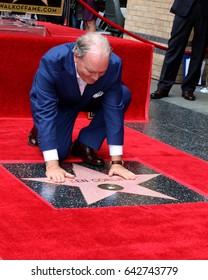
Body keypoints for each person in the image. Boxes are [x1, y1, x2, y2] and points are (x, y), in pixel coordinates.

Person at [28, 32, 136, 183]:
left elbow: (114, 109)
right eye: (90, 71)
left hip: (91, 97)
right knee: (59, 153)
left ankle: (86, 143)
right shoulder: (53, 60)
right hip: (58, 103)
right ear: (76, 57)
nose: (96, 78)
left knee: (123, 95)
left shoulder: (114, 64)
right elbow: (45, 109)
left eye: (102, 73)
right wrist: (52, 165)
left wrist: (116, 162)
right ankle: (39, 129)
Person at [151, 0, 208, 101]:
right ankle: (164, 86)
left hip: (205, 9)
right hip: (184, 6)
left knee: (199, 52)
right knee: (174, 47)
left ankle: (189, 88)